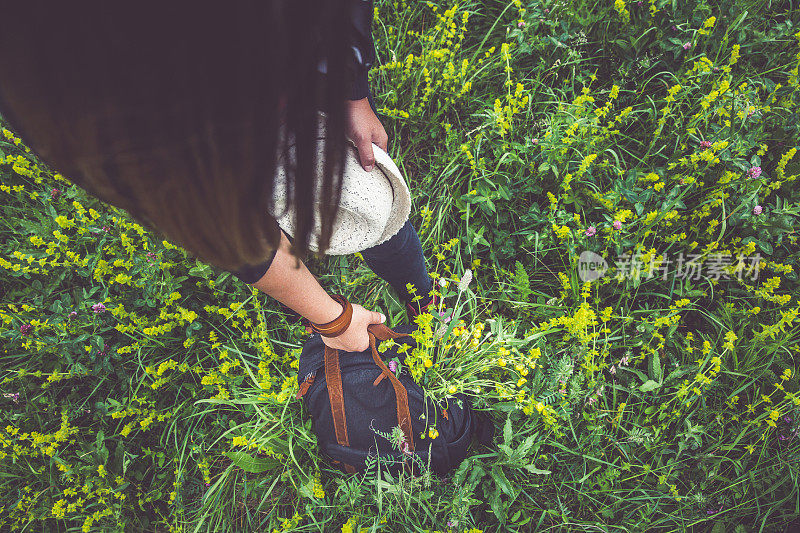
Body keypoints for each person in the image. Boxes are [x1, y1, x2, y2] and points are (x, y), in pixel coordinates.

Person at [0, 1, 434, 353]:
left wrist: (351, 93)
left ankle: (423, 301)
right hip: (192, 139)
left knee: (370, 206)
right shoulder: (72, 95)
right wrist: (333, 319)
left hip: (288, 85)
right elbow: (229, 231)